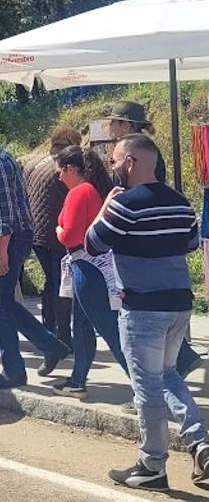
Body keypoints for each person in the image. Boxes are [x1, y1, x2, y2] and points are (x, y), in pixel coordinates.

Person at [86, 134, 209, 490]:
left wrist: (103, 208)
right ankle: (200, 444)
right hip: (179, 305)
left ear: (129, 163)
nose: (111, 167)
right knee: (168, 375)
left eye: (114, 160)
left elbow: (91, 245)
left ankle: (152, 464)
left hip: (141, 308)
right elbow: (188, 244)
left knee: (147, 390)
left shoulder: (124, 205)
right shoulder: (181, 203)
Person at [0, 112, 70, 390]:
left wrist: (0, 249)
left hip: (7, 238)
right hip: (0, 238)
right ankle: (48, 347)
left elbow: (6, 209)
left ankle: (17, 367)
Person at [50, 145, 127, 396]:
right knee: (82, 326)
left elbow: (69, 234)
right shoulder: (91, 190)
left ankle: (145, 388)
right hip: (93, 266)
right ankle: (77, 380)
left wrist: (57, 231)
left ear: (71, 169)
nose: (59, 177)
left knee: (109, 329)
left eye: (60, 171)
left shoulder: (78, 192)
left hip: (85, 266)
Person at [24, 128, 81, 348]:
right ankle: (63, 335)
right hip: (56, 233)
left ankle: (48, 329)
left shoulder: (36, 163)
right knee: (62, 285)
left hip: (37, 234)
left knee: (51, 282)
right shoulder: (63, 166)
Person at [107, 101, 166, 184]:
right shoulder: (146, 147)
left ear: (125, 125)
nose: (110, 126)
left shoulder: (137, 150)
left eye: (113, 121)